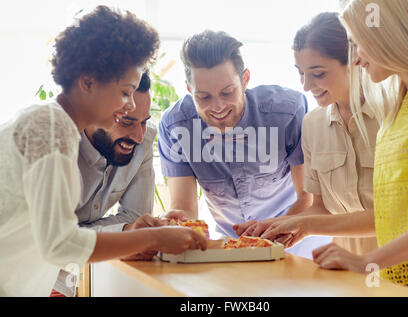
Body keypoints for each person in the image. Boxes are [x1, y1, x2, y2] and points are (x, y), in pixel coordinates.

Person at [0, 6, 206, 297]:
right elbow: (61, 245)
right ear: (87, 82)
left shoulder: (52, 123)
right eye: (125, 92)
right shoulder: (49, 128)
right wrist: (154, 237)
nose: (130, 105)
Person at [312, 0, 408, 295]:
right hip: (402, 279)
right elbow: (393, 213)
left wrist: (366, 261)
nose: (356, 59)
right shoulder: (399, 107)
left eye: (357, 43)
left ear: (386, 36)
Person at [158, 30, 330, 257]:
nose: (218, 106)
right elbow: (184, 207)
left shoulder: (286, 111)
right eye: (204, 97)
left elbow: (307, 198)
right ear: (190, 90)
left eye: (227, 92)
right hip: (232, 246)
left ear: (245, 79)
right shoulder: (175, 126)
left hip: (297, 241)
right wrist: (174, 223)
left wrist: (272, 230)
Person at [238, 12, 380, 257]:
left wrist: (305, 224)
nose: (305, 86)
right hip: (344, 270)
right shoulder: (313, 125)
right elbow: (322, 208)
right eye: (301, 73)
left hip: (405, 268)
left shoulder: (391, 115)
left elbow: (398, 214)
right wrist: (276, 226)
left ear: (354, 60)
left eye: (318, 74)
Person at [52, 70, 161, 297]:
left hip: (79, 273)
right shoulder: (54, 141)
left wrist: (125, 232)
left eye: (144, 122)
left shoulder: (143, 140)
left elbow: (133, 218)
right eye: (127, 121)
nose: (139, 136)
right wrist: (127, 236)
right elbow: (55, 244)